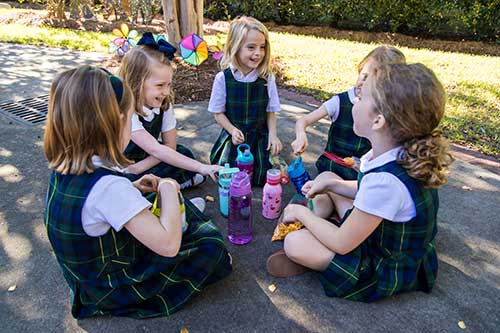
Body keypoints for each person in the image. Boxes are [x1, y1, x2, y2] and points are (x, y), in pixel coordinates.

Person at [43, 66, 232, 318]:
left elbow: (92, 208)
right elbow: (168, 246)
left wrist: (132, 186)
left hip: (84, 277)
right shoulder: (110, 188)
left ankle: (178, 216)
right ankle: (181, 220)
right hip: (111, 286)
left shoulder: (66, 165)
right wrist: (168, 187)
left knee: (147, 198)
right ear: (116, 123)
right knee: (211, 247)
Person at [267, 63, 454, 302]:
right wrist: (334, 186)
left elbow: (342, 242)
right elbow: (368, 192)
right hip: (376, 229)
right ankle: (319, 233)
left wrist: (300, 214)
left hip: (382, 259)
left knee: (294, 243)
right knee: (327, 178)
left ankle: (319, 257)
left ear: (378, 121)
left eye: (361, 98)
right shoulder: (394, 152)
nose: (354, 101)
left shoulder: (386, 182)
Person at [120, 32, 222, 195]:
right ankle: (171, 187)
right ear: (136, 83)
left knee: (182, 153)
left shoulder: (164, 105)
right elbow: (157, 150)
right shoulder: (127, 110)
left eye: (169, 84)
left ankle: (166, 187)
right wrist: (202, 167)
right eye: (160, 85)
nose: (166, 91)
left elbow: (169, 146)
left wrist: (140, 167)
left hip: (150, 159)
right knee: (125, 180)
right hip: (125, 164)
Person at [292, 45, 406, 180]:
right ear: (360, 69)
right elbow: (303, 120)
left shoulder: (387, 110)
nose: (364, 84)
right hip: (332, 166)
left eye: (374, 83)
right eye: (364, 76)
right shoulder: (341, 101)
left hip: (362, 173)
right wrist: (301, 135)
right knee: (325, 188)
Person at [208, 16, 282, 186]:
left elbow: (271, 111)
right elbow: (218, 114)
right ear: (235, 47)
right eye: (251, 47)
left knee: (261, 178)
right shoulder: (223, 79)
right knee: (229, 176)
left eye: (262, 47)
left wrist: (273, 135)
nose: (258, 53)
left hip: (259, 137)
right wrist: (232, 130)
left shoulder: (266, 78)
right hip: (235, 138)